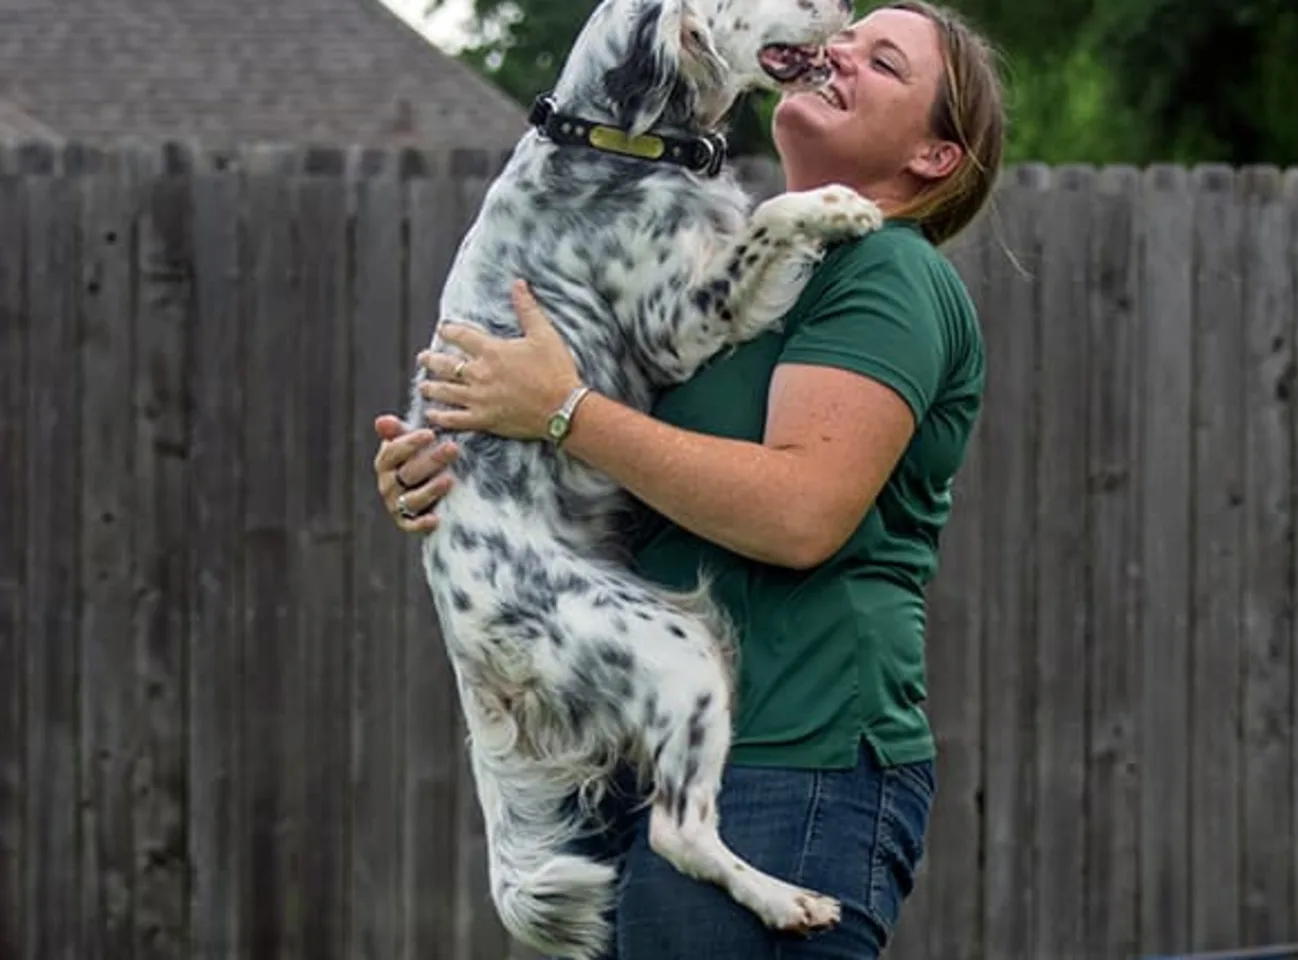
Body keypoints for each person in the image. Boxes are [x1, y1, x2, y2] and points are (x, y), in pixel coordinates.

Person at [371, 2, 1006, 956]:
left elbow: (799, 514)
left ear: (933, 158)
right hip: (670, 757)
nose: (841, 53)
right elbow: (624, 459)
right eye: (846, 37)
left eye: (883, 61)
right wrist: (451, 470)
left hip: (797, 760)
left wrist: (559, 410)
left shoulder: (886, 274)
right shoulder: (729, 258)